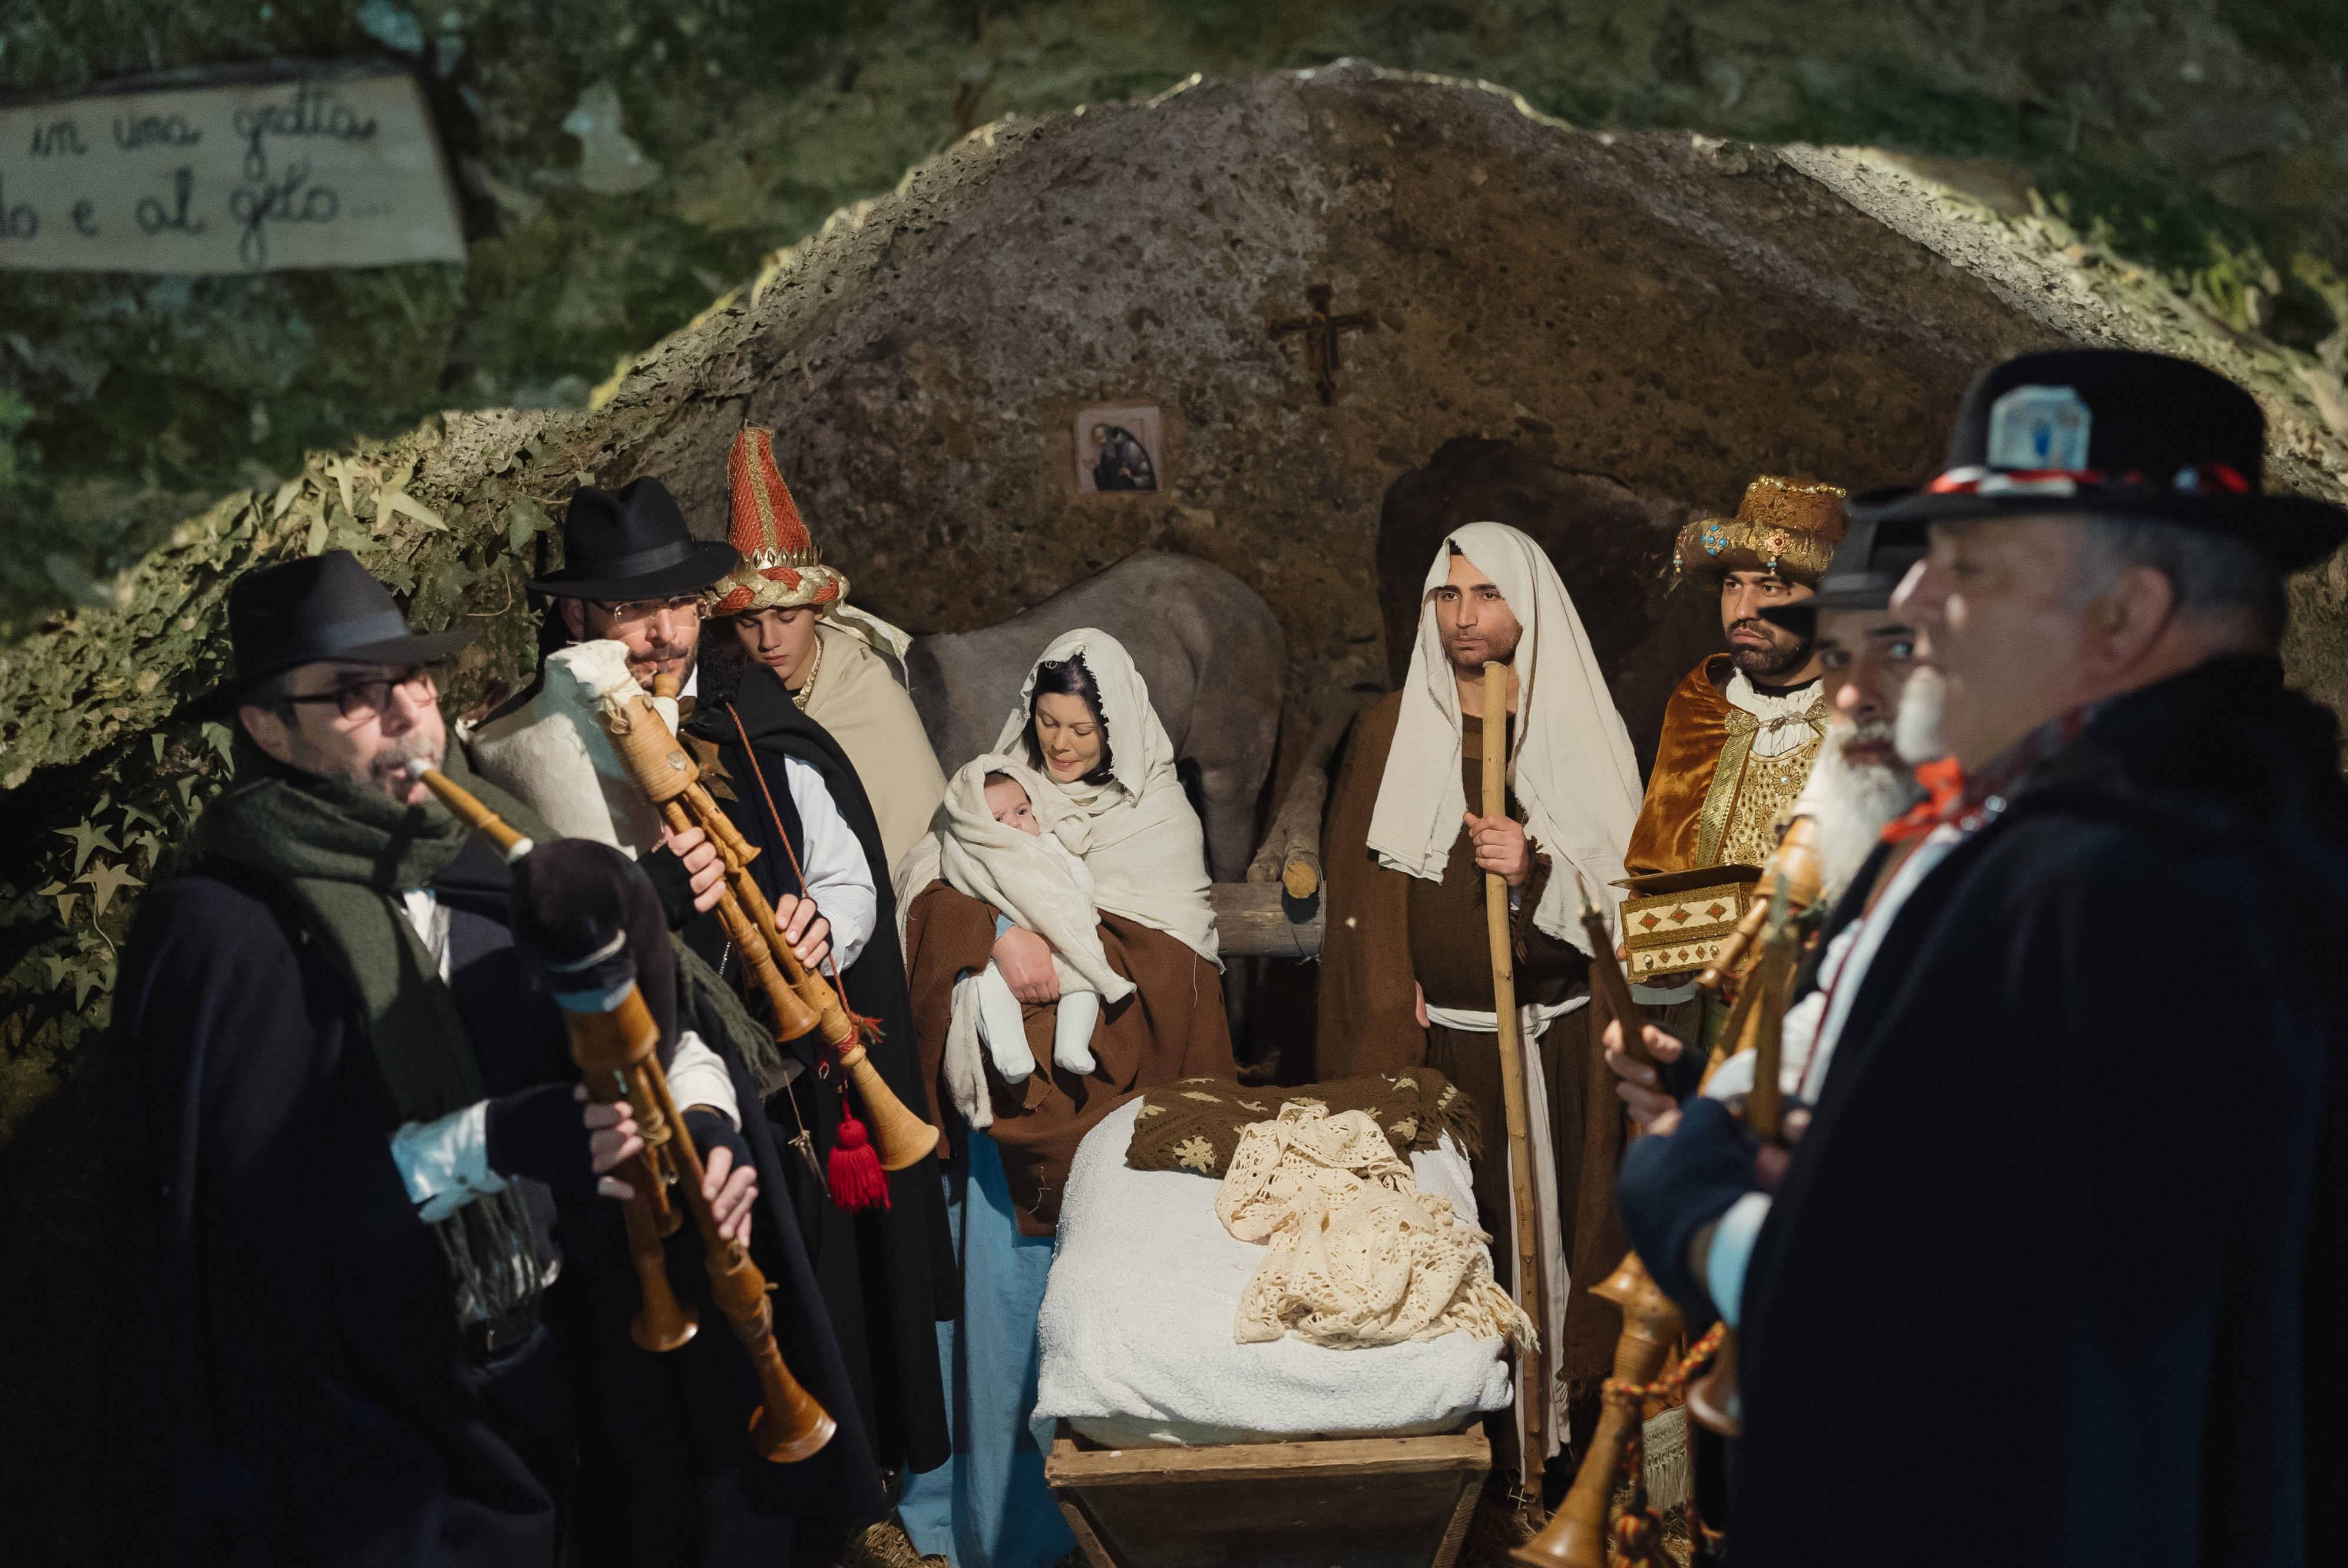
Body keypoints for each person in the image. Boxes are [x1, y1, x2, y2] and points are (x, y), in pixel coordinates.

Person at [1615, 350, 2348, 1567]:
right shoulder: (2255, 836)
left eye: (1971, 568)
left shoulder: (2097, 889)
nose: (1918, 600)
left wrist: (1689, 1194)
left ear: (2124, 616)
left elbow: (1912, 1321)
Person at [105, 552, 668, 1564]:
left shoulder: (489, 855)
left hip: (545, 1365)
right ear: (269, 729)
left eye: (414, 679)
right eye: (356, 696)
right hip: (365, 1434)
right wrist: (493, 1140)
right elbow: (254, 1226)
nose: (410, 715)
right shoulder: (220, 930)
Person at [476, 478, 955, 1507]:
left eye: (679, 606)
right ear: (577, 618)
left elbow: (846, 871)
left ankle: (846, 1505)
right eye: (631, 610)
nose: (663, 633)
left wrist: (824, 923)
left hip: (789, 1086)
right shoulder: (533, 752)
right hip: (651, 1097)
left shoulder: (750, 716)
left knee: (822, 1304)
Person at [896, 630, 1232, 1568]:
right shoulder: (996, 789)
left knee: (1099, 1319)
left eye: (1082, 728)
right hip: (1001, 1121)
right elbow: (926, 887)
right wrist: (995, 931)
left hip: (1106, 1109)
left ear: (1116, 726)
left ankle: (1112, 1529)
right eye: (1047, 722)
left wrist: (1061, 947)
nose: (1062, 745)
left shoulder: (1153, 818)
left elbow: (1168, 960)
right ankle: (1000, 1525)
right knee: (1002, 1325)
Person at [1316, 521, 1647, 1471]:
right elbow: (1366, 898)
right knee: (1468, 1253)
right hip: (1450, 1058)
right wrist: (1390, 1003)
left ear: (1528, 606)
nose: (1464, 616)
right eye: (1447, 595)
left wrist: (1534, 868)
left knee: (1573, 1240)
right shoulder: (1391, 730)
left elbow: (1619, 904)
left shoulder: (1573, 724)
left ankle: (1579, 1453)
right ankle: (1492, 1460)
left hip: (1563, 1047)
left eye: (1487, 594)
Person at [1623, 475, 1847, 1047]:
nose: (1742, 609)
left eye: (1771, 587)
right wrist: (1659, 952)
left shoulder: (1868, 720)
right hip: (1709, 1028)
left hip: (1827, 1029)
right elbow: (1658, 874)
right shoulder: (1699, 703)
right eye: (1731, 586)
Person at [705, 426, 947, 872]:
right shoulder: (727, 701)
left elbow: (913, 837)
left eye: (786, 618)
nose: (768, 641)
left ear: (818, 610)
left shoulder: (872, 697)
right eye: (749, 622)